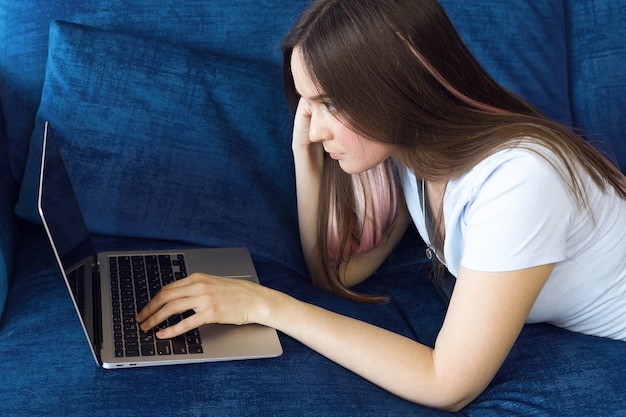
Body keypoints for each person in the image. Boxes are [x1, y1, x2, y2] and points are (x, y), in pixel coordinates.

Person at [137, 0, 626, 411]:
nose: (313, 127)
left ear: (394, 87)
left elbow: (448, 385)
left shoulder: (518, 180)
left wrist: (265, 305)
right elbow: (336, 274)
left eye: (329, 103)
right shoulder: (414, 155)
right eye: (308, 107)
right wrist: (302, 158)